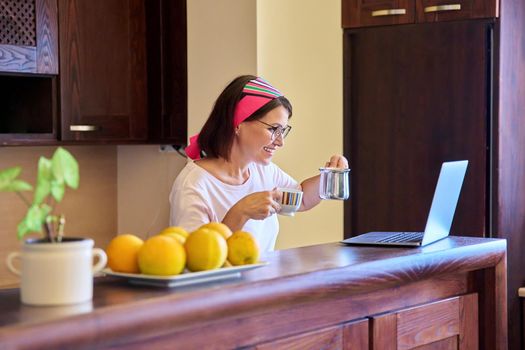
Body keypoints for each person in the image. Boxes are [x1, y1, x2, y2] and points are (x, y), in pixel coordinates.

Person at [169, 75, 348, 253]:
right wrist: (240, 213)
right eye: (273, 129)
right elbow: (195, 260)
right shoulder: (193, 185)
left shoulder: (264, 171)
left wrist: (330, 175)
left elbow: (302, 199)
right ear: (237, 123)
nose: (280, 142)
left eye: (282, 131)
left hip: (264, 281)